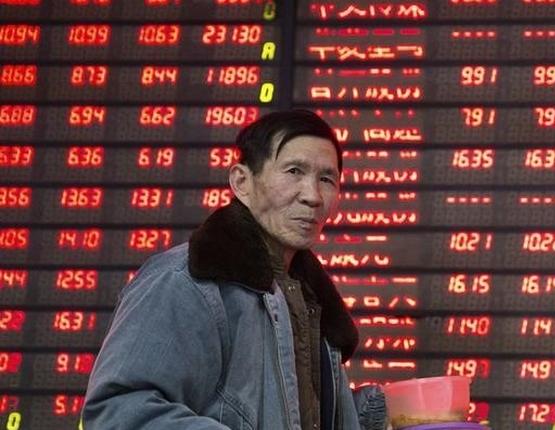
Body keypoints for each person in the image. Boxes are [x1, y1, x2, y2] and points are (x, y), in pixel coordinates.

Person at [83, 109, 386, 429]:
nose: (312, 196)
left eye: (326, 179)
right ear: (241, 181)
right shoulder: (185, 280)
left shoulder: (308, 299)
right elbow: (117, 410)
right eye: (294, 171)